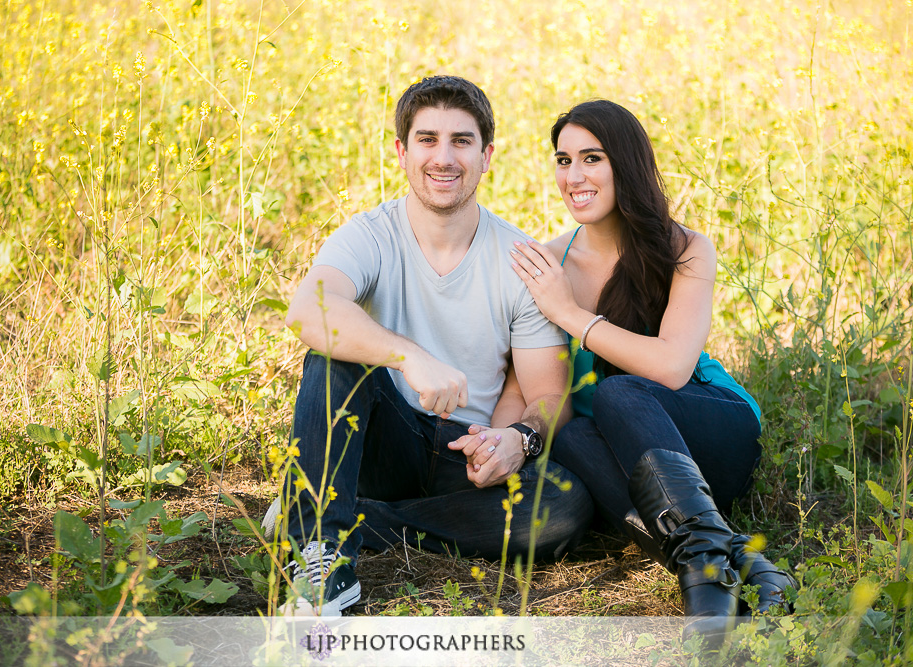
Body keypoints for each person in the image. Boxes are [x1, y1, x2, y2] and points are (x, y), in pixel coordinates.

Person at [270, 75, 593, 616]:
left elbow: (550, 398)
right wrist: (409, 357)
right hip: (380, 438)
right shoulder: (370, 234)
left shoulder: (520, 259)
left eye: (462, 141)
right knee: (332, 355)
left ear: (487, 155)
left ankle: (347, 518)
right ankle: (318, 553)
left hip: (465, 457)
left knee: (564, 506)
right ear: (401, 151)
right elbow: (308, 311)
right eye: (427, 139)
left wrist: (518, 439)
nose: (443, 158)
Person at [502, 99, 797, 639]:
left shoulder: (684, 248)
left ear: (626, 163)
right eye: (563, 160)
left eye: (592, 158)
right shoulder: (547, 262)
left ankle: (710, 568)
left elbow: (671, 367)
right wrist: (502, 439)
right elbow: (526, 382)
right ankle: (727, 566)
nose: (574, 176)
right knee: (567, 436)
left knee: (620, 394)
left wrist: (570, 313)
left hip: (710, 430)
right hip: (637, 472)